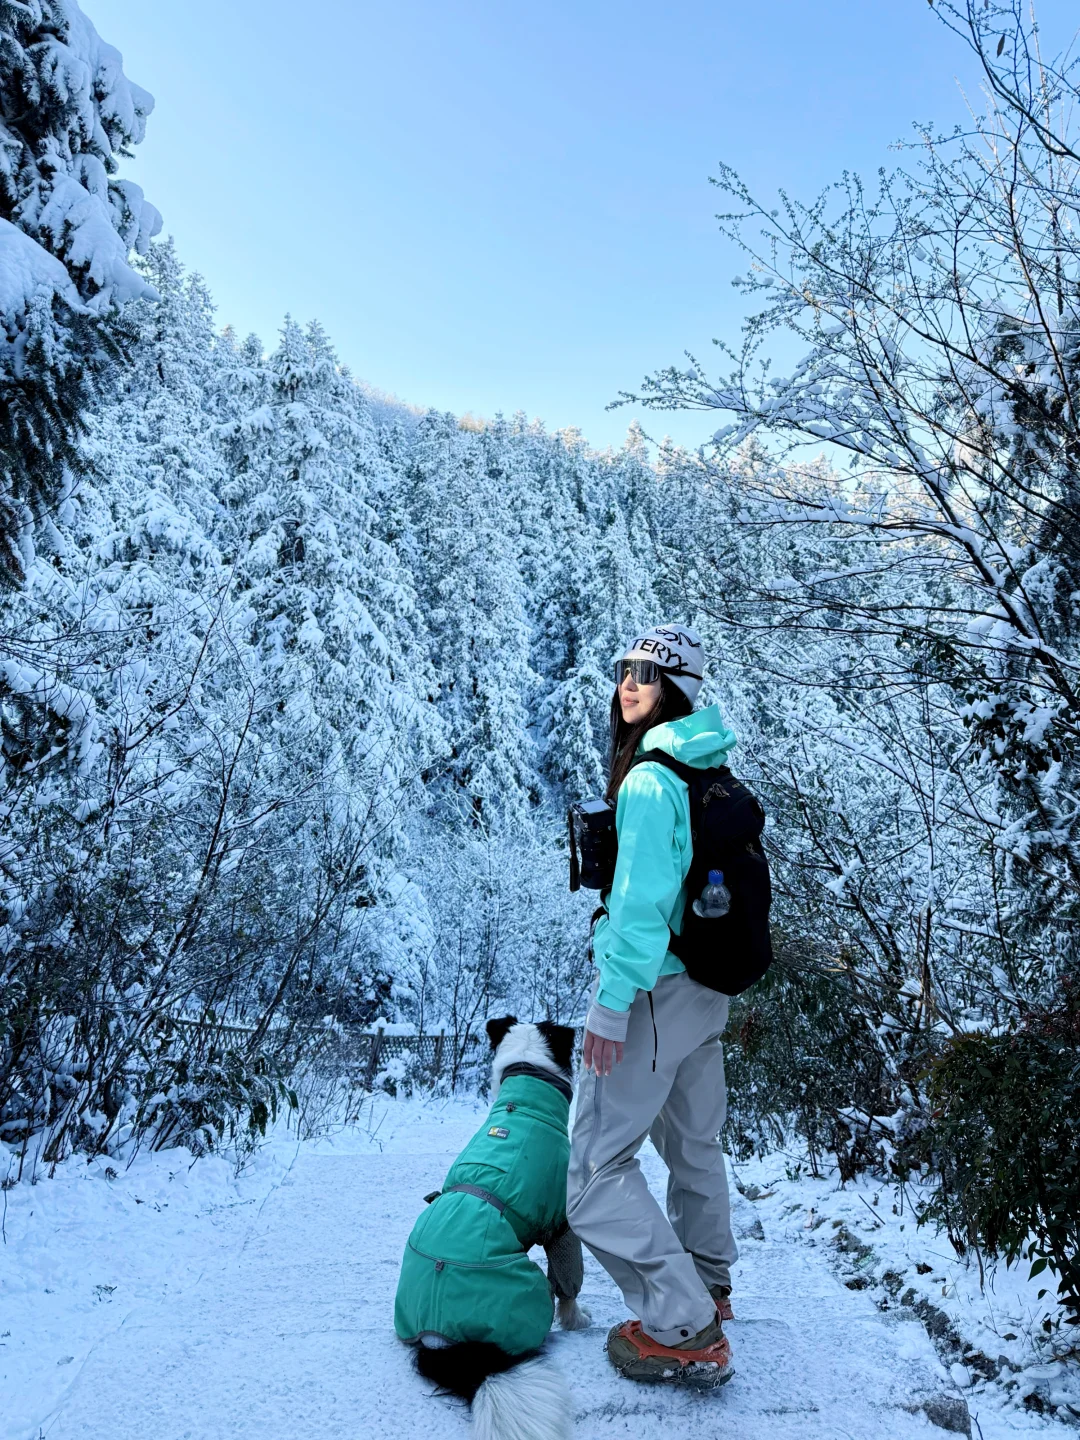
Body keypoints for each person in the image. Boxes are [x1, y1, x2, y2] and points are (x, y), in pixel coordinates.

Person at [566, 624, 738, 1387]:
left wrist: (610, 1004)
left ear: (678, 687)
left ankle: (682, 1323)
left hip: (654, 992)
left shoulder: (647, 780)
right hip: (705, 992)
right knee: (693, 1143)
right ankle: (710, 1283)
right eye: (624, 669)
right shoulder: (708, 765)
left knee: (596, 1171)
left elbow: (639, 905)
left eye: (648, 672)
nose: (629, 683)